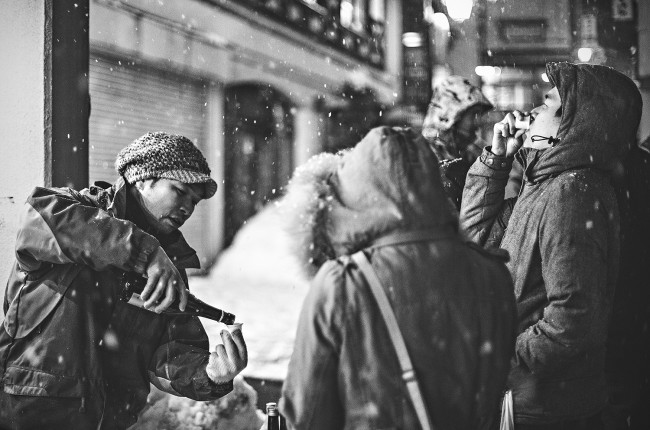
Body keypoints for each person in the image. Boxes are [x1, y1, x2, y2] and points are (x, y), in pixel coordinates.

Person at [0, 132, 248, 429]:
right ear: (142, 179)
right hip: (34, 413)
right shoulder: (75, 210)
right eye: (180, 191)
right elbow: (37, 221)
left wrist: (209, 374)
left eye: (194, 202)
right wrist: (146, 251)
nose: (187, 208)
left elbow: (169, 353)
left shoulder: (168, 269)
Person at [278, 126, 517, 429]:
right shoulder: (491, 274)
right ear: (432, 184)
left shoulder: (343, 282)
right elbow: (491, 391)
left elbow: (307, 416)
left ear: (356, 191)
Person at [459, 62, 643, 429]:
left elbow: (573, 318)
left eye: (548, 105)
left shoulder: (571, 191)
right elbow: (473, 240)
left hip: (545, 406)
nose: (532, 112)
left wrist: (504, 356)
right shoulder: (544, 182)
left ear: (573, 126)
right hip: (532, 397)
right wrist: (496, 160)